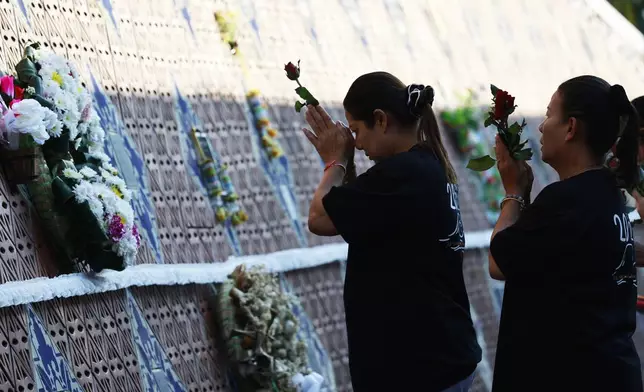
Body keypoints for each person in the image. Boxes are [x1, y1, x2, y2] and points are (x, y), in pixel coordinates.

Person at [302, 71, 482, 392]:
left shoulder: (401, 174)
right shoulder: (428, 166)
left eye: (357, 131)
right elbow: (364, 217)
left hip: (418, 366)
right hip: (442, 354)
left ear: (381, 120)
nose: (356, 144)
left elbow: (319, 218)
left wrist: (334, 163)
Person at [488, 75, 642, 391]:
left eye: (549, 115)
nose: (542, 126)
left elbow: (498, 263)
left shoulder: (567, 199)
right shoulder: (606, 193)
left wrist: (513, 192)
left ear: (571, 128)